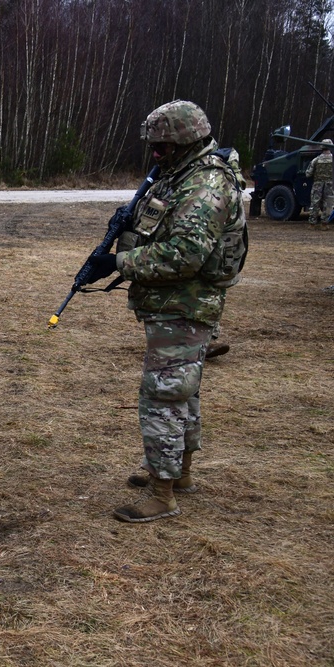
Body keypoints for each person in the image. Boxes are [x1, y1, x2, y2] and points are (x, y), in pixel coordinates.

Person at [85, 100, 246, 523]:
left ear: (185, 140)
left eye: (162, 147)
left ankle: (163, 493)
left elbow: (185, 255)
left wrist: (119, 264)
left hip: (186, 305)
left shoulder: (205, 186)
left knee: (163, 395)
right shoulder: (179, 175)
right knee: (183, 391)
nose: (155, 155)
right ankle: (180, 475)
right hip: (173, 304)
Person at [305, 138, 333, 229]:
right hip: (330, 185)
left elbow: (308, 174)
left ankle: (312, 224)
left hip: (317, 184)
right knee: (327, 204)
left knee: (315, 203)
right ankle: (324, 224)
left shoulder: (316, 160)